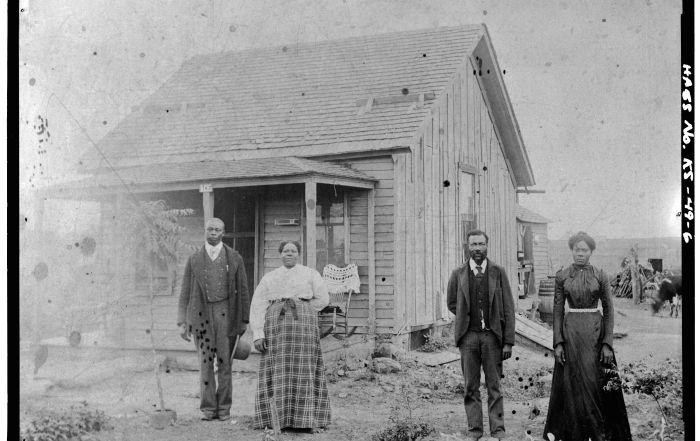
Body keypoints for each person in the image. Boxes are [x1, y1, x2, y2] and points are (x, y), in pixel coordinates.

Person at [543, 231, 632, 441]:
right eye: (576, 249)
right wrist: (558, 342)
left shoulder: (600, 275)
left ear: (591, 252)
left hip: (595, 332)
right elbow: (557, 311)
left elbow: (609, 310)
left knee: (595, 381)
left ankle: (598, 431)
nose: (580, 253)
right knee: (571, 384)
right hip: (571, 332)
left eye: (584, 250)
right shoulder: (562, 276)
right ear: (571, 251)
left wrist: (607, 344)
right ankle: (573, 433)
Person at [250, 240, 331, 432]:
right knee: (277, 368)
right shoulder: (270, 277)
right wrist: (258, 333)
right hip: (276, 326)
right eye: (285, 251)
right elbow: (258, 304)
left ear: (298, 254)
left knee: (305, 368)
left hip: (303, 325)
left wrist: (306, 309)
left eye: (293, 251)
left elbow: (323, 298)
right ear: (280, 254)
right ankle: (274, 420)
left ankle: (306, 420)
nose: (289, 254)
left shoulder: (310, 274)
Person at [177, 217, 251, 421]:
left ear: (223, 233)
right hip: (200, 314)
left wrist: (244, 319)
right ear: (205, 231)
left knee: (225, 362)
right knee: (205, 362)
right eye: (209, 229)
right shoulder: (194, 259)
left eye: (217, 230)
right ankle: (208, 408)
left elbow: (244, 290)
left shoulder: (234, 258)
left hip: (225, 313)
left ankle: (224, 409)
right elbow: (184, 292)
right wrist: (182, 321)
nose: (213, 233)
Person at [447, 229, 515, 441]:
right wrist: (466, 320)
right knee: (470, 386)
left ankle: (498, 431)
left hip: (492, 338)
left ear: (487, 246)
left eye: (481, 244)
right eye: (473, 244)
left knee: (494, 385)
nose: (477, 248)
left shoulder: (498, 272)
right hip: (468, 338)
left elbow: (509, 308)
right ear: (467, 246)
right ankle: (475, 430)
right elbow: (452, 303)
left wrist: (508, 342)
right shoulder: (458, 273)